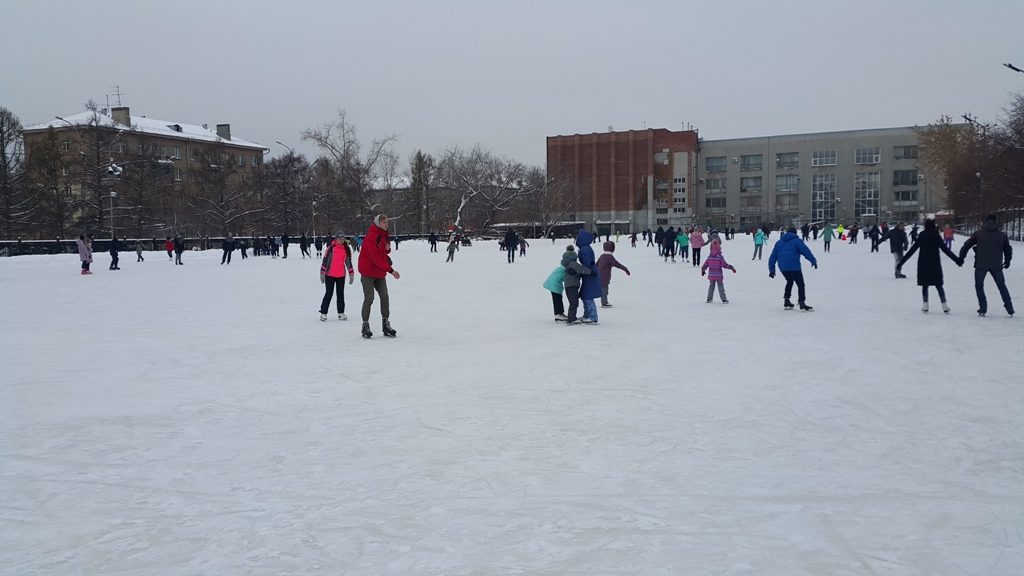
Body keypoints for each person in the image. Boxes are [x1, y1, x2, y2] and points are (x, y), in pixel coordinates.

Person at [898, 219, 961, 313]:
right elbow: (946, 250)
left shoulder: (922, 236)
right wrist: (957, 260)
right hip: (935, 264)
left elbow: (911, 251)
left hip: (923, 264)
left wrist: (901, 263)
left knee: (925, 285)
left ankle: (925, 305)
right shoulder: (937, 236)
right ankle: (944, 306)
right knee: (939, 285)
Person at [958, 214, 1014, 317]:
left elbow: (966, 245)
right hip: (996, 265)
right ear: (996, 222)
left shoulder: (978, 234)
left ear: (985, 221)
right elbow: (1008, 249)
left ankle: (983, 308)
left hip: (981, 264)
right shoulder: (1002, 235)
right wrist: (1008, 260)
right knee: (1002, 286)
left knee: (979, 286)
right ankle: (1009, 308)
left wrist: (961, 257)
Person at [357, 214, 400, 338]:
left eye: (387, 222)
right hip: (368, 272)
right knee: (369, 298)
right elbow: (375, 258)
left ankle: (385, 323)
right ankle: (365, 325)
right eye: (384, 222)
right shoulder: (371, 237)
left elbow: (382, 252)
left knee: (385, 297)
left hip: (379, 272)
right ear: (378, 224)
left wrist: (387, 249)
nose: (386, 224)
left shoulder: (384, 235)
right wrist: (391, 271)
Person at [768, 226, 818, 311]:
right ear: (795, 233)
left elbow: (773, 256)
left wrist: (772, 270)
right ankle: (801, 302)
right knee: (800, 284)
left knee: (789, 281)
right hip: (794, 266)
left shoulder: (779, 242)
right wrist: (813, 261)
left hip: (783, 267)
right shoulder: (797, 241)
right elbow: (806, 251)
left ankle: (786, 300)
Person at [319, 233, 356, 321]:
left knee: (340, 294)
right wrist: (322, 273)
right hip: (330, 275)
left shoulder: (346, 249)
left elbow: (348, 262)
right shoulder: (331, 248)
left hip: (341, 276)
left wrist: (351, 273)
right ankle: (323, 313)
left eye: (343, 239)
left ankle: (341, 313)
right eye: (339, 239)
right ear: (336, 239)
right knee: (329, 293)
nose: (341, 241)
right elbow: (325, 260)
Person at [575, 229, 601, 324]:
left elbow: (587, 262)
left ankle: (592, 316)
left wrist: (585, 271)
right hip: (589, 273)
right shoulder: (584, 248)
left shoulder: (585, 248)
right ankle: (587, 314)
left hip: (589, 273)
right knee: (585, 295)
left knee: (588, 295)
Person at [561, 246, 591, 324]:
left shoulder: (567, 264)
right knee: (574, 302)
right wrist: (591, 271)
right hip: (572, 285)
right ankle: (572, 318)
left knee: (573, 302)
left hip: (569, 285)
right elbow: (581, 269)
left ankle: (571, 317)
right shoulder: (573, 263)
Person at [701, 239, 737, 303]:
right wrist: (731, 267)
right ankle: (724, 299)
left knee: (711, 286)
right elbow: (724, 265)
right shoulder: (720, 257)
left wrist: (703, 270)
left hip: (711, 275)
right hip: (718, 275)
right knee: (720, 286)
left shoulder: (710, 257)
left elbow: (705, 265)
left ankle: (709, 299)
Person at [597, 241, 630, 307]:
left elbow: (596, 264)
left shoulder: (602, 256)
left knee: (604, 289)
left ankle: (604, 301)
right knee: (604, 290)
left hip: (599, 275)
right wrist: (625, 269)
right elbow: (616, 264)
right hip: (605, 276)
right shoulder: (609, 257)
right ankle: (604, 303)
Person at [542, 245, 572, 321]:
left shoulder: (562, 267)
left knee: (558, 298)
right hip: (554, 285)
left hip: (554, 284)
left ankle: (560, 313)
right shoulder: (564, 269)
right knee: (557, 299)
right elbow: (567, 277)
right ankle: (558, 314)